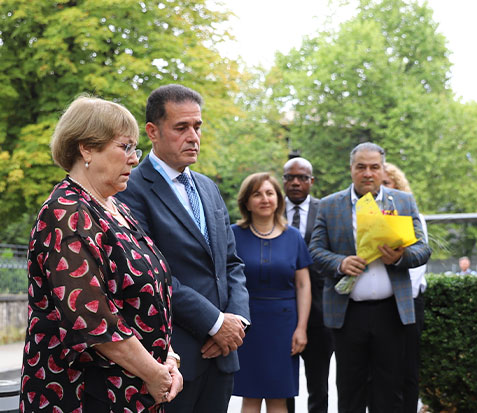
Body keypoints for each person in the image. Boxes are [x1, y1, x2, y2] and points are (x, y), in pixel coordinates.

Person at [22, 96, 182, 411]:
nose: (134, 160)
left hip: (137, 390)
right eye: (125, 148)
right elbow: (93, 320)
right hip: (87, 393)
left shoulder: (116, 207)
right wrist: (155, 374)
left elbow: (149, 296)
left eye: (135, 150)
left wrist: (169, 359)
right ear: (87, 149)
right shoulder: (66, 212)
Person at [115, 84, 250, 413]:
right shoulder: (129, 188)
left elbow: (230, 264)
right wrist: (214, 323)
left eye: (197, 127)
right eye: (181, 128)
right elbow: (151, 276)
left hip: (222, 354)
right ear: (153, 132)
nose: (193, 137)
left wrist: (237, 322)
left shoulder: (208, 187)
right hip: (171, 356)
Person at [309, 142, 431, 413]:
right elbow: (315, 251)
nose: (368, 173)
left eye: (374, 167)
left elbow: (423, 249)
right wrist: (340, 263)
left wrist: (399, 257)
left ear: (382, 169)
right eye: (361, 167)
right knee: (349, 389)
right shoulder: (330, 205)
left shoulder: (402, 201)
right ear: (351, 169)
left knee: (389, 390)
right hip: (348, 312)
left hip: (391, 311)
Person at [231, 172, 311, 413]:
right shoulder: (233, 235)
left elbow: (303, 285)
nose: (264, 199)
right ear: (246, 201)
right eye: (257, 194)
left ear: (279, 199)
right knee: (250, 397)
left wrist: (301, 328)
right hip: (247, 324)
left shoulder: (294, 237)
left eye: (270, 193)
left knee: (279, 397)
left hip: (284, 325)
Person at [283, 156, 332, 413]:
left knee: (319, 384)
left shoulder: (326, 210)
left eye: (302, 177)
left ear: (311, 181)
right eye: (289, 177)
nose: (295, 182)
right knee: (284, 385)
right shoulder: (270, 209)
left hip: (320, 312)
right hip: (281, 310)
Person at [383, 161, 428, 413]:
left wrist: (398, 296)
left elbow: (419, 261)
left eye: (388, 183)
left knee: (407, 369)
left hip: (408, 301)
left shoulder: (413, 216)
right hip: (380, 303)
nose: (383, 188)